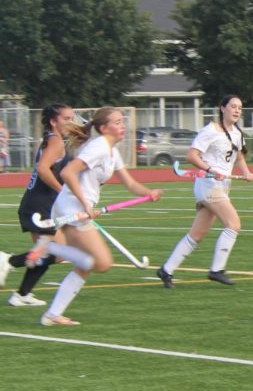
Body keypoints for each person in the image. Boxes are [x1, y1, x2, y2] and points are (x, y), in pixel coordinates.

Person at [38, 107, 163, 326]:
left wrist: (148, 193)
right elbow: (68, 173)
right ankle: (48, 247)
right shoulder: (98, 147)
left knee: (87, 264)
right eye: (116, 122)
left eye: (122, 121)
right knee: (102, 263)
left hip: (75, 207)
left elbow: (130, 183)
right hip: (72, 208)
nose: (122, 125)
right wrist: (85, 203)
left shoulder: (113, 151)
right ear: (104, 128)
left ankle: (52, 315)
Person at [0, 103, 95, 306]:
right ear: (54, 121)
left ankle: (22, 295)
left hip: (39, 204)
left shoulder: (55, 139)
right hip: (39, 205)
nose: (71, 121)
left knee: (46, 251)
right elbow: (44, 170)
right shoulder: (56, 142)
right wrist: (64, 193)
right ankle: (8, 261)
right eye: (66, 118)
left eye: (72, 117)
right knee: (57, 252)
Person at [156, 95, 253, 289]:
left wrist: (246, 172)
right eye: (233, 107)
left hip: (222, 186)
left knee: (197, 234)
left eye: (240, 108)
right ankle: (217, 270)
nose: (236, 110)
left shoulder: (237, 133)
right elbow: (191, 155)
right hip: (208, 185)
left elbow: (239, 157)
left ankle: (166, 270)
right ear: (222, 108)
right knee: (233, 224)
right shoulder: (210, 130)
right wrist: (211, 170)